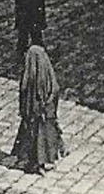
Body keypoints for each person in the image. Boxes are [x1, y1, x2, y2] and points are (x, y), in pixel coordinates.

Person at [11, 44, 65, 175]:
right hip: (46, 115)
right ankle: (43, 161)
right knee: (44, 139)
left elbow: (24, 93)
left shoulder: (30, 76)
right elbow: (54, 92)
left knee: (34, 140)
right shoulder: (49, 75)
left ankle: (35, 164)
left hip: (35, 114)